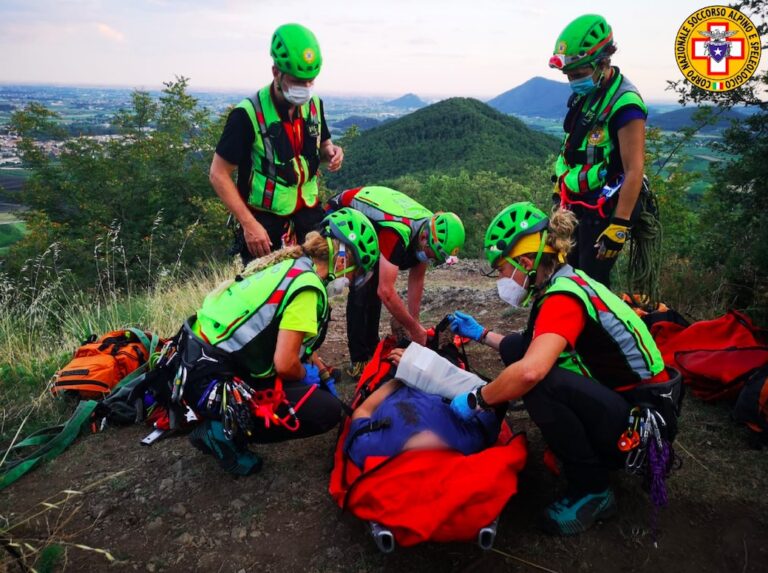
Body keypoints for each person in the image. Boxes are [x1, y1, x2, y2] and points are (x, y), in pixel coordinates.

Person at [448, 202, 669, 535]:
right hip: (637, 407)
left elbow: (529, 372)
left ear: (524, 262)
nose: (503, 279)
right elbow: (525, 346)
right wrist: (480, 333)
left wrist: (478, 399)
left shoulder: (562, 299)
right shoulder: (565, 282)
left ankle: (594, 489)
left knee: (538, 382)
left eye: (502, 270)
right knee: (522, 351)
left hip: (642, 428)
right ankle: (582, 449)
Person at [161, 208, 379, 475]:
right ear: (343, 259)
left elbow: (289, 337)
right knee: (326, 411)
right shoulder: (308, 289)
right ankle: (223, 432)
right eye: (356, 273)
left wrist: (320, 370)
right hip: (213, 380)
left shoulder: (293, 265)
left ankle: (219, 419)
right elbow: (286, 363)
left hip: (194, 362)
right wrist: (304, 374)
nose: (351, 281)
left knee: (305, 386)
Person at [209, 23, 344, 264]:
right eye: (296, 81)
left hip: (309, 217)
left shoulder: (315, 106)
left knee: (313, 286)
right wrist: (249, 225)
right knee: (267, 295)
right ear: (275, 72)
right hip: (265, 225)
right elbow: (218, 174)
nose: (304, 88)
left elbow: (322, 147)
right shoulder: (247, 114)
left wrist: (331, 152)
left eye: (309, 81)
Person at [549, 14, 647, 286]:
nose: (572, 80)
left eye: (578, 74)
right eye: (568, 75)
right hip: (577, 200)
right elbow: (572, 145)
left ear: (603, 62)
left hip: (605, 207)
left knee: (591, 283)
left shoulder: (626, 104)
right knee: (567, 272)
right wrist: (560, 186)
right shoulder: (587, 93)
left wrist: (620, 225)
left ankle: (595, 328)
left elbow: (634, 168)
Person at [326, 186, 466, 378]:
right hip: (342, 212)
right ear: (424, 238)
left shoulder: (427, 229)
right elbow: (386, 291)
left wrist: (415, 326)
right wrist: (414, 328)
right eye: (430, 254)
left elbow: (417, 280)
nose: (429, 259)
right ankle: (359, 359)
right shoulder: (398, 231)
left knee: (373, 284)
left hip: (373, 225)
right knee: (363, 285)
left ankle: (372, 347)